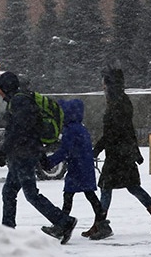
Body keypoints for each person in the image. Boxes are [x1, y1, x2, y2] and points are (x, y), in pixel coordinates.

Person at [90, 64, 151, 239]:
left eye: (104, 82)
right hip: (123, 153)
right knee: (133, 188)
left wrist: (97, 149)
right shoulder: (120, 101)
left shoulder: (117, 103)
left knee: (107, 187)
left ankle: (100, 225)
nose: (102, 85)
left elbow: (113, 132)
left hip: (118, 155)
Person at [0, 71, 78, 244]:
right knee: (9, 192)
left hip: (23, 155)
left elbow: (20, 131)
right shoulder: (19, 101)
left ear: (5, 87)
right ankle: (7, 230)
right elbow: (31, 130)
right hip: (22, 154)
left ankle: (64, 221)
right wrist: (38, 154)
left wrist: (4, 152)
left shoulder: (19, 101)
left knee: (31, 194)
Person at [39, 99, 105, 240]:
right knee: (88, 195)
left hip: (77, 168)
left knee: (69, 196)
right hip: (83, 166)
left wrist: (50, 162)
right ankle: (101, 223)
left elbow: (65, 150)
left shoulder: (70, 130)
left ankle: (64, 225)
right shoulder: (80, 128)